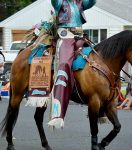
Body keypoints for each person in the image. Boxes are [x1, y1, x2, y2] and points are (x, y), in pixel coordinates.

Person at [48, 0, 96, 128]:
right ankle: (57, 111)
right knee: (64, 64)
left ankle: (101, 105)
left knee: (97, 58)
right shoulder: (60, 3)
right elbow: (54, 2)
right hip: (65, 35)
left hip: (80, 37)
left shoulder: (80, 3)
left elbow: (92, 2)